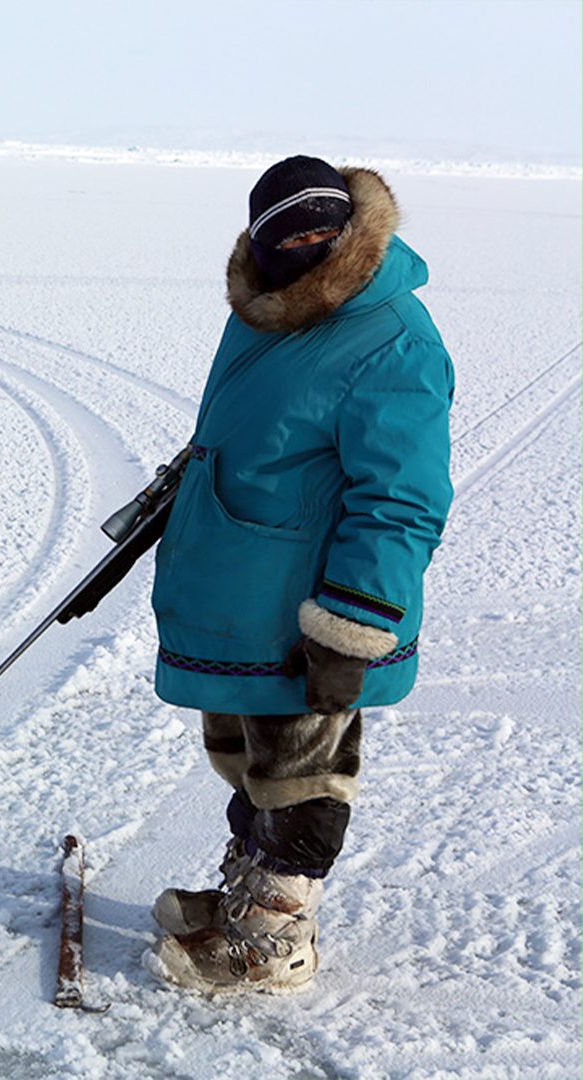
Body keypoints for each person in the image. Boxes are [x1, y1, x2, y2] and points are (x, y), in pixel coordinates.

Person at [143, 156, 455, 994]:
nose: (309, 246)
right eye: (288, 236)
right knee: (249, 759)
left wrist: (353, 623)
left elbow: (402, 499)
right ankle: (248, 892)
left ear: (351, 229)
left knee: (304, 769)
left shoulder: (393, 339)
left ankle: (279, 937)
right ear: (263, 243)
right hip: (238, 588)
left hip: (311, 604)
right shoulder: (267, 310)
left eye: (324, 229)